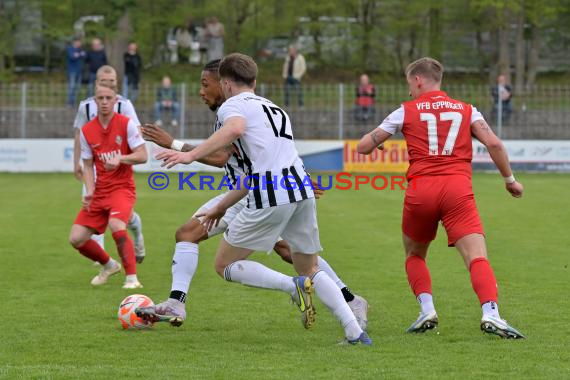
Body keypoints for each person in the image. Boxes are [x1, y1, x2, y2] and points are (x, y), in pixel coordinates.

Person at [153, 54, 371, 345]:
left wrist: (185, 153)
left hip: (263, 191)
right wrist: (223, 204)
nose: (201, 91)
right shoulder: (273, 107)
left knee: (225, 265)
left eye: (206, 84)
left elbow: (232, 141)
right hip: (291, 187)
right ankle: (354, 330)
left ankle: (301, 288)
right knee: (308, 266)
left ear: (225, 83)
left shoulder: (232, 108)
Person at [357, 57, 525, 339]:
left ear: (419, 80)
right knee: (476, 257)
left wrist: (377, 144)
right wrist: (510, 181)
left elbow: (364, 146)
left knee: (414, 254)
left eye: (410, 83)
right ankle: (492, 313)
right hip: (457, 189)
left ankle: (427, 310)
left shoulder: (405, 110)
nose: (410, 90)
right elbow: (494, 143)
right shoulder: (467, 110)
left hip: (421, 191)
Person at [69, 82, 148, 289]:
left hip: (122, 189)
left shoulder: (126, 124)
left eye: (108, 98)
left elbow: (143, 155)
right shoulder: (87, 130)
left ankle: (132, 278)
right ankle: (109, 265)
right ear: (95, 101)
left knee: (116, 226)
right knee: (76, 238)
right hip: (100, 191)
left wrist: (121, 158)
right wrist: (90, 191)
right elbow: (87, 165)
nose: (104, 102)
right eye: (100, 99)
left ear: (115, 100)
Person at [66, 37, 86, 106]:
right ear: (75, 42)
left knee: (78, 87)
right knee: (71, 87)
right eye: (78, 42)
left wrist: (78, 55)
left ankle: (74, 102)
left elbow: (84, 55)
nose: (80, 44)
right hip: (72, 71)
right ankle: (69, 103)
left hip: (79, 71)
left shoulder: (80, 49)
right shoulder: (70, 48)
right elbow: (72, 57)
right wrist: (79, 55)